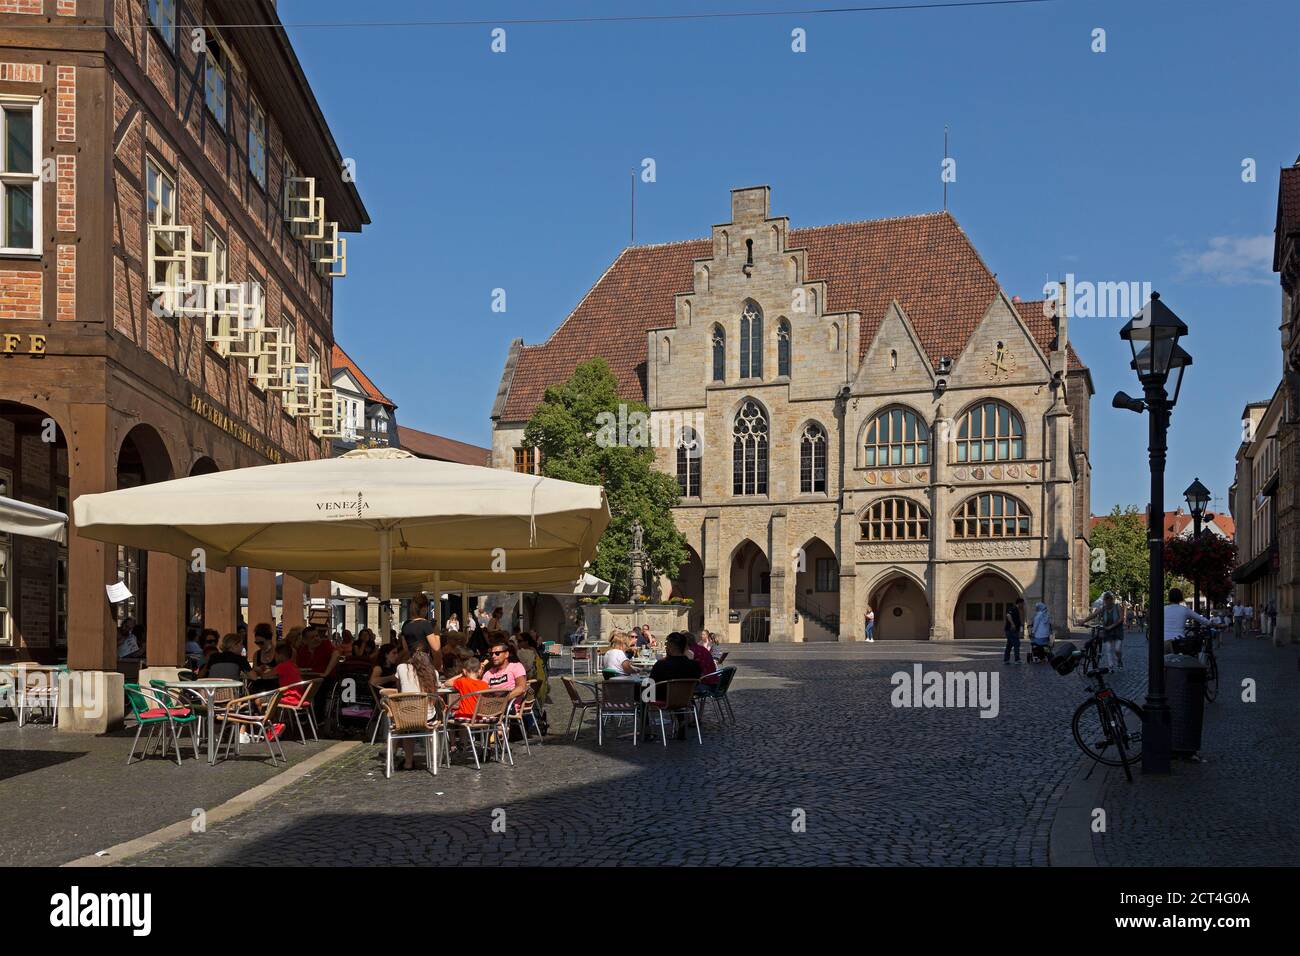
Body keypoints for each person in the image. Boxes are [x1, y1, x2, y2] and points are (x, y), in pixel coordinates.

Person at [394, 642, 442, 770]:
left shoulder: (401, 668)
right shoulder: (434, 673)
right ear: (428, 655)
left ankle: (408, 762)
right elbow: (434, 697)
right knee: (436, 715)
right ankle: (434, 759)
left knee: (407, 728)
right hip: (427, 717)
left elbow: (399, 690)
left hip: (405, 716)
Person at [648, 633, 702, 739]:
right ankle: (681, 720)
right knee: (676, 694)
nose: (666, 647)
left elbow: (651, 682)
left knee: (642, 695)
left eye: (667, 644)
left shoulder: (661, 665)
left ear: (671, 646)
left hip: (663, 698)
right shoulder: (694, 665)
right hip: (686, 699)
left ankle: (646, 730)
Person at [482, 639, 529, 713]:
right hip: (491, 707)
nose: (493, 656)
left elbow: (521, 688)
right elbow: (481, 691)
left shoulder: (516, 667)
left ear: (506, 654)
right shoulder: (488, 673)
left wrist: (502, 701)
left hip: (508, 707)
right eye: (492, 654)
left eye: (497, 653)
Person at [1081, 592, 1124, 669]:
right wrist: (1083, 621)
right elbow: (1093, 615)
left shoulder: (1117, 607)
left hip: (1117, 630)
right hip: (1107, 631)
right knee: (1108, 649)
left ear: (1112, 600)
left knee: (1117, 649)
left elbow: (1121, 619)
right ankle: (1110, 666)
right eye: (1106, 600)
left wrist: (1111, 626)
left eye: (1109, 600)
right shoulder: (1103, 608)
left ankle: (1119, 660)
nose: (1107, 602)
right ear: (1104, 601)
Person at [1163, 587, 1211, 652]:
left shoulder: (1163, 609)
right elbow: (1202, 619)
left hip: (1162, 641)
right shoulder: (1185, 610)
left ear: (1169, 597)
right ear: (1180, 597)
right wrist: (1215, 624)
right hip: (1177, 642)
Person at [401, 593, 440, 661]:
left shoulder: (405, 624)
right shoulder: (425, 624)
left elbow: (406, 649)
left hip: (411, 661)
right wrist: (437, 633)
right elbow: (436, 648)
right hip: (424, 663)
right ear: (424, 608)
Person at [450, 656, 489, 720]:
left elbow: (447, 683)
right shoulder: (485, 685)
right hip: (479, 717)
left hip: (465, 717)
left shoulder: (462, 681)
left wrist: (461, 675)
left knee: (448, 714)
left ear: (464, 671)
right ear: (479, 670)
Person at [1002, 597, 1025, 664]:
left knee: (1009, 645)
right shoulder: (1013, 608)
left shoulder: (1016, 609)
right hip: (1011, 630)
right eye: (1022, 604)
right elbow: (1008, 615)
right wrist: (1013, 624)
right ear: (1019, 603)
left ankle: (1006, 660)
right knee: (1016, 644)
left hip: (1012, 630)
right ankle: (1017, 660)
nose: (1023, 605)